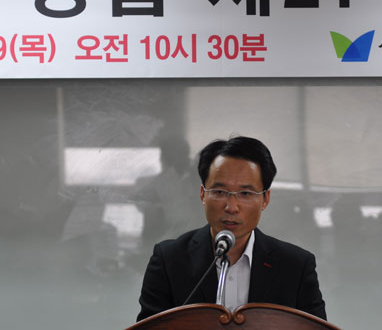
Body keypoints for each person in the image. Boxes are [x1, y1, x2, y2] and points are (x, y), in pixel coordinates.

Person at [136, 136, 327, 321]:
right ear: (203, 194)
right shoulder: (169, 260)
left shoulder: (295, 266)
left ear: (265, 199)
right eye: (219, 192)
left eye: (245, 193)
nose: (231, 207)